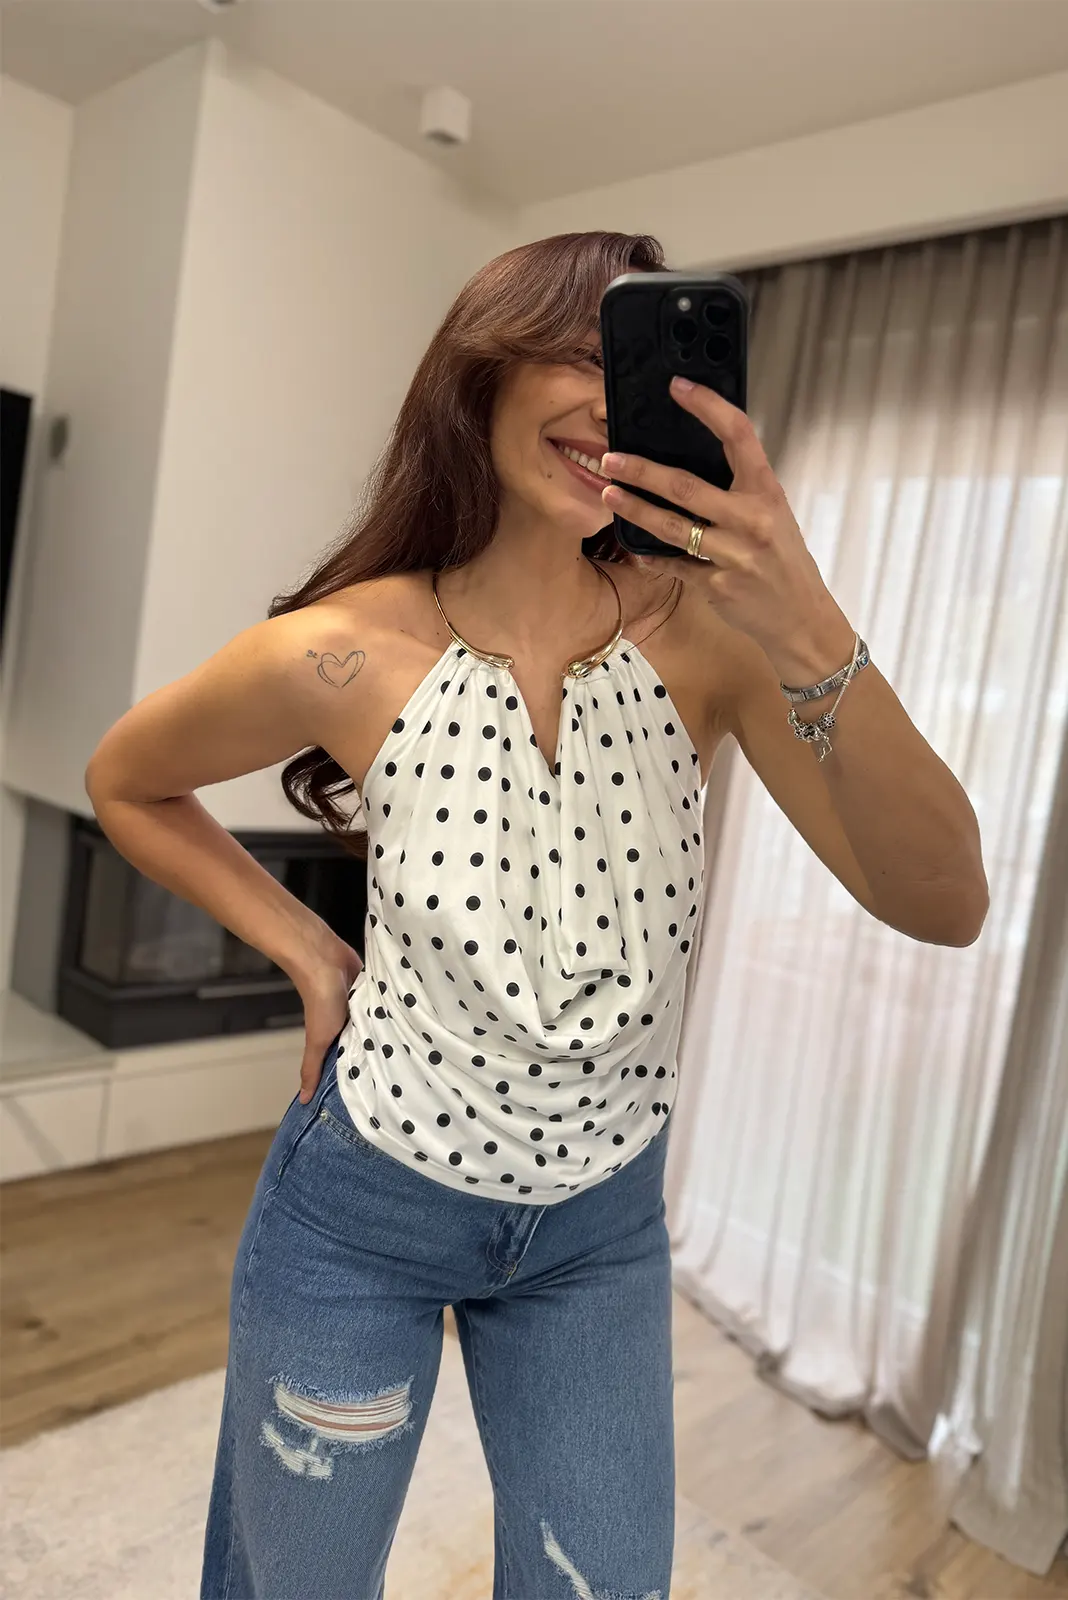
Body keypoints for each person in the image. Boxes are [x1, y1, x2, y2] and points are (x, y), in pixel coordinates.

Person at [85, 230, 988, 1599]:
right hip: (362, 1207)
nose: (609, 406)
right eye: (576, 355)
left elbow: (948, 900)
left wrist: (805, 615)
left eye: (637, 370)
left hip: (596, 1234)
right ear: (483, 374)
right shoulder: (344, 650)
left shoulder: (714, 641)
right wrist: (311, 953)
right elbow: (129, 781)